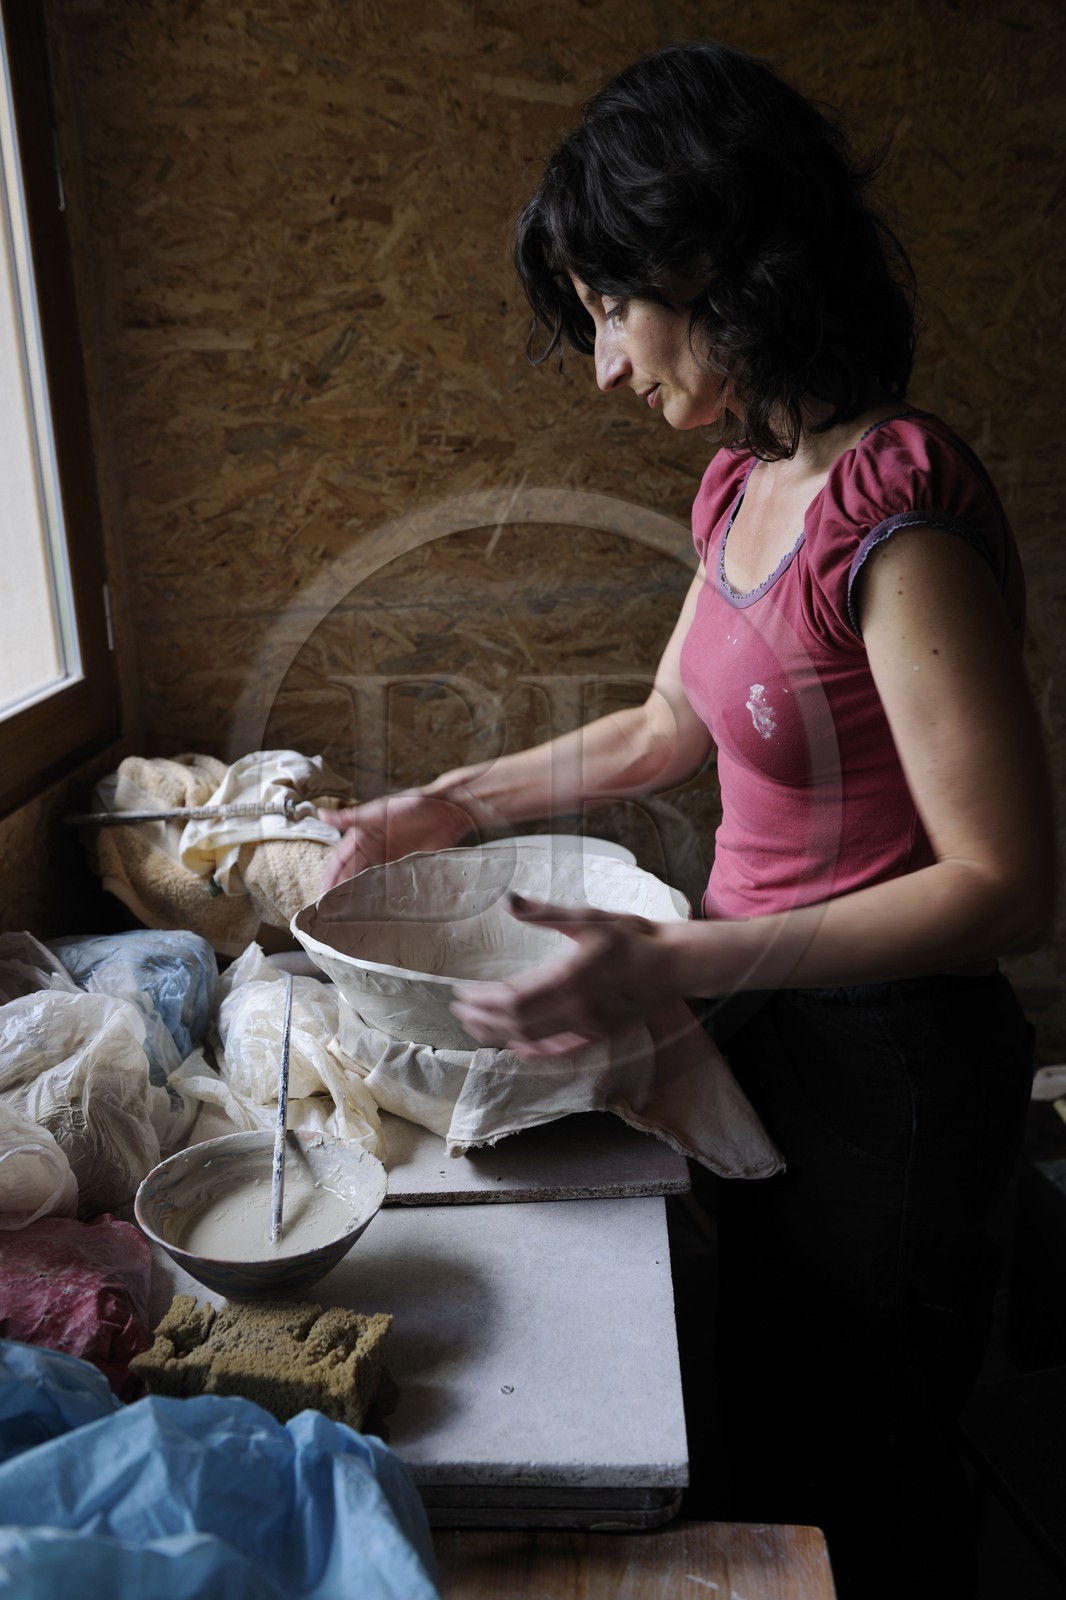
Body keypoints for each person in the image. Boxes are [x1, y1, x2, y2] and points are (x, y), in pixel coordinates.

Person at [321, 41, 1055, 1599]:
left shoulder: (894, 510)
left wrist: (672, 963)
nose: (604, 366)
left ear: (711, 267)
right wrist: (442, 805)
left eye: (609, 311)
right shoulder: (740, 485)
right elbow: (668, 724)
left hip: (893, 1066)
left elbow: (1002, 886)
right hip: (766, 1019)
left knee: (874, 1466)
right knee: (769, 1411)